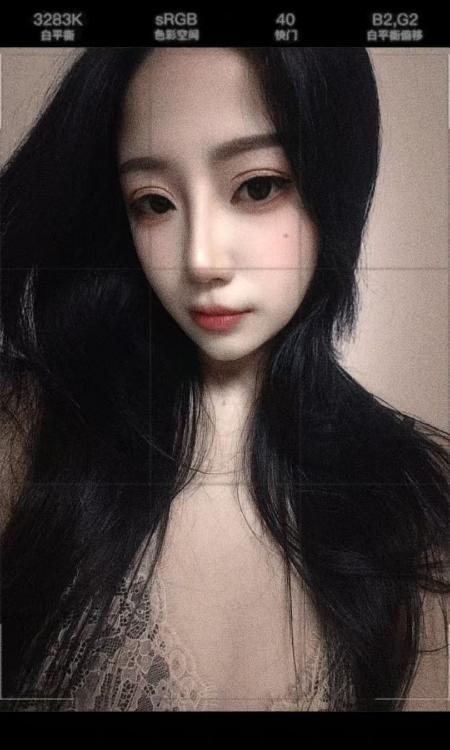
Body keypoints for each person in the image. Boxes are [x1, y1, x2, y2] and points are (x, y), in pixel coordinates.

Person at [0, 47, 448, 712]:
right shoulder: (25, 432)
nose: (201, 259)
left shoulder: (413, 500)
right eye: (154, 202)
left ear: (335, 184)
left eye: (257, 187)